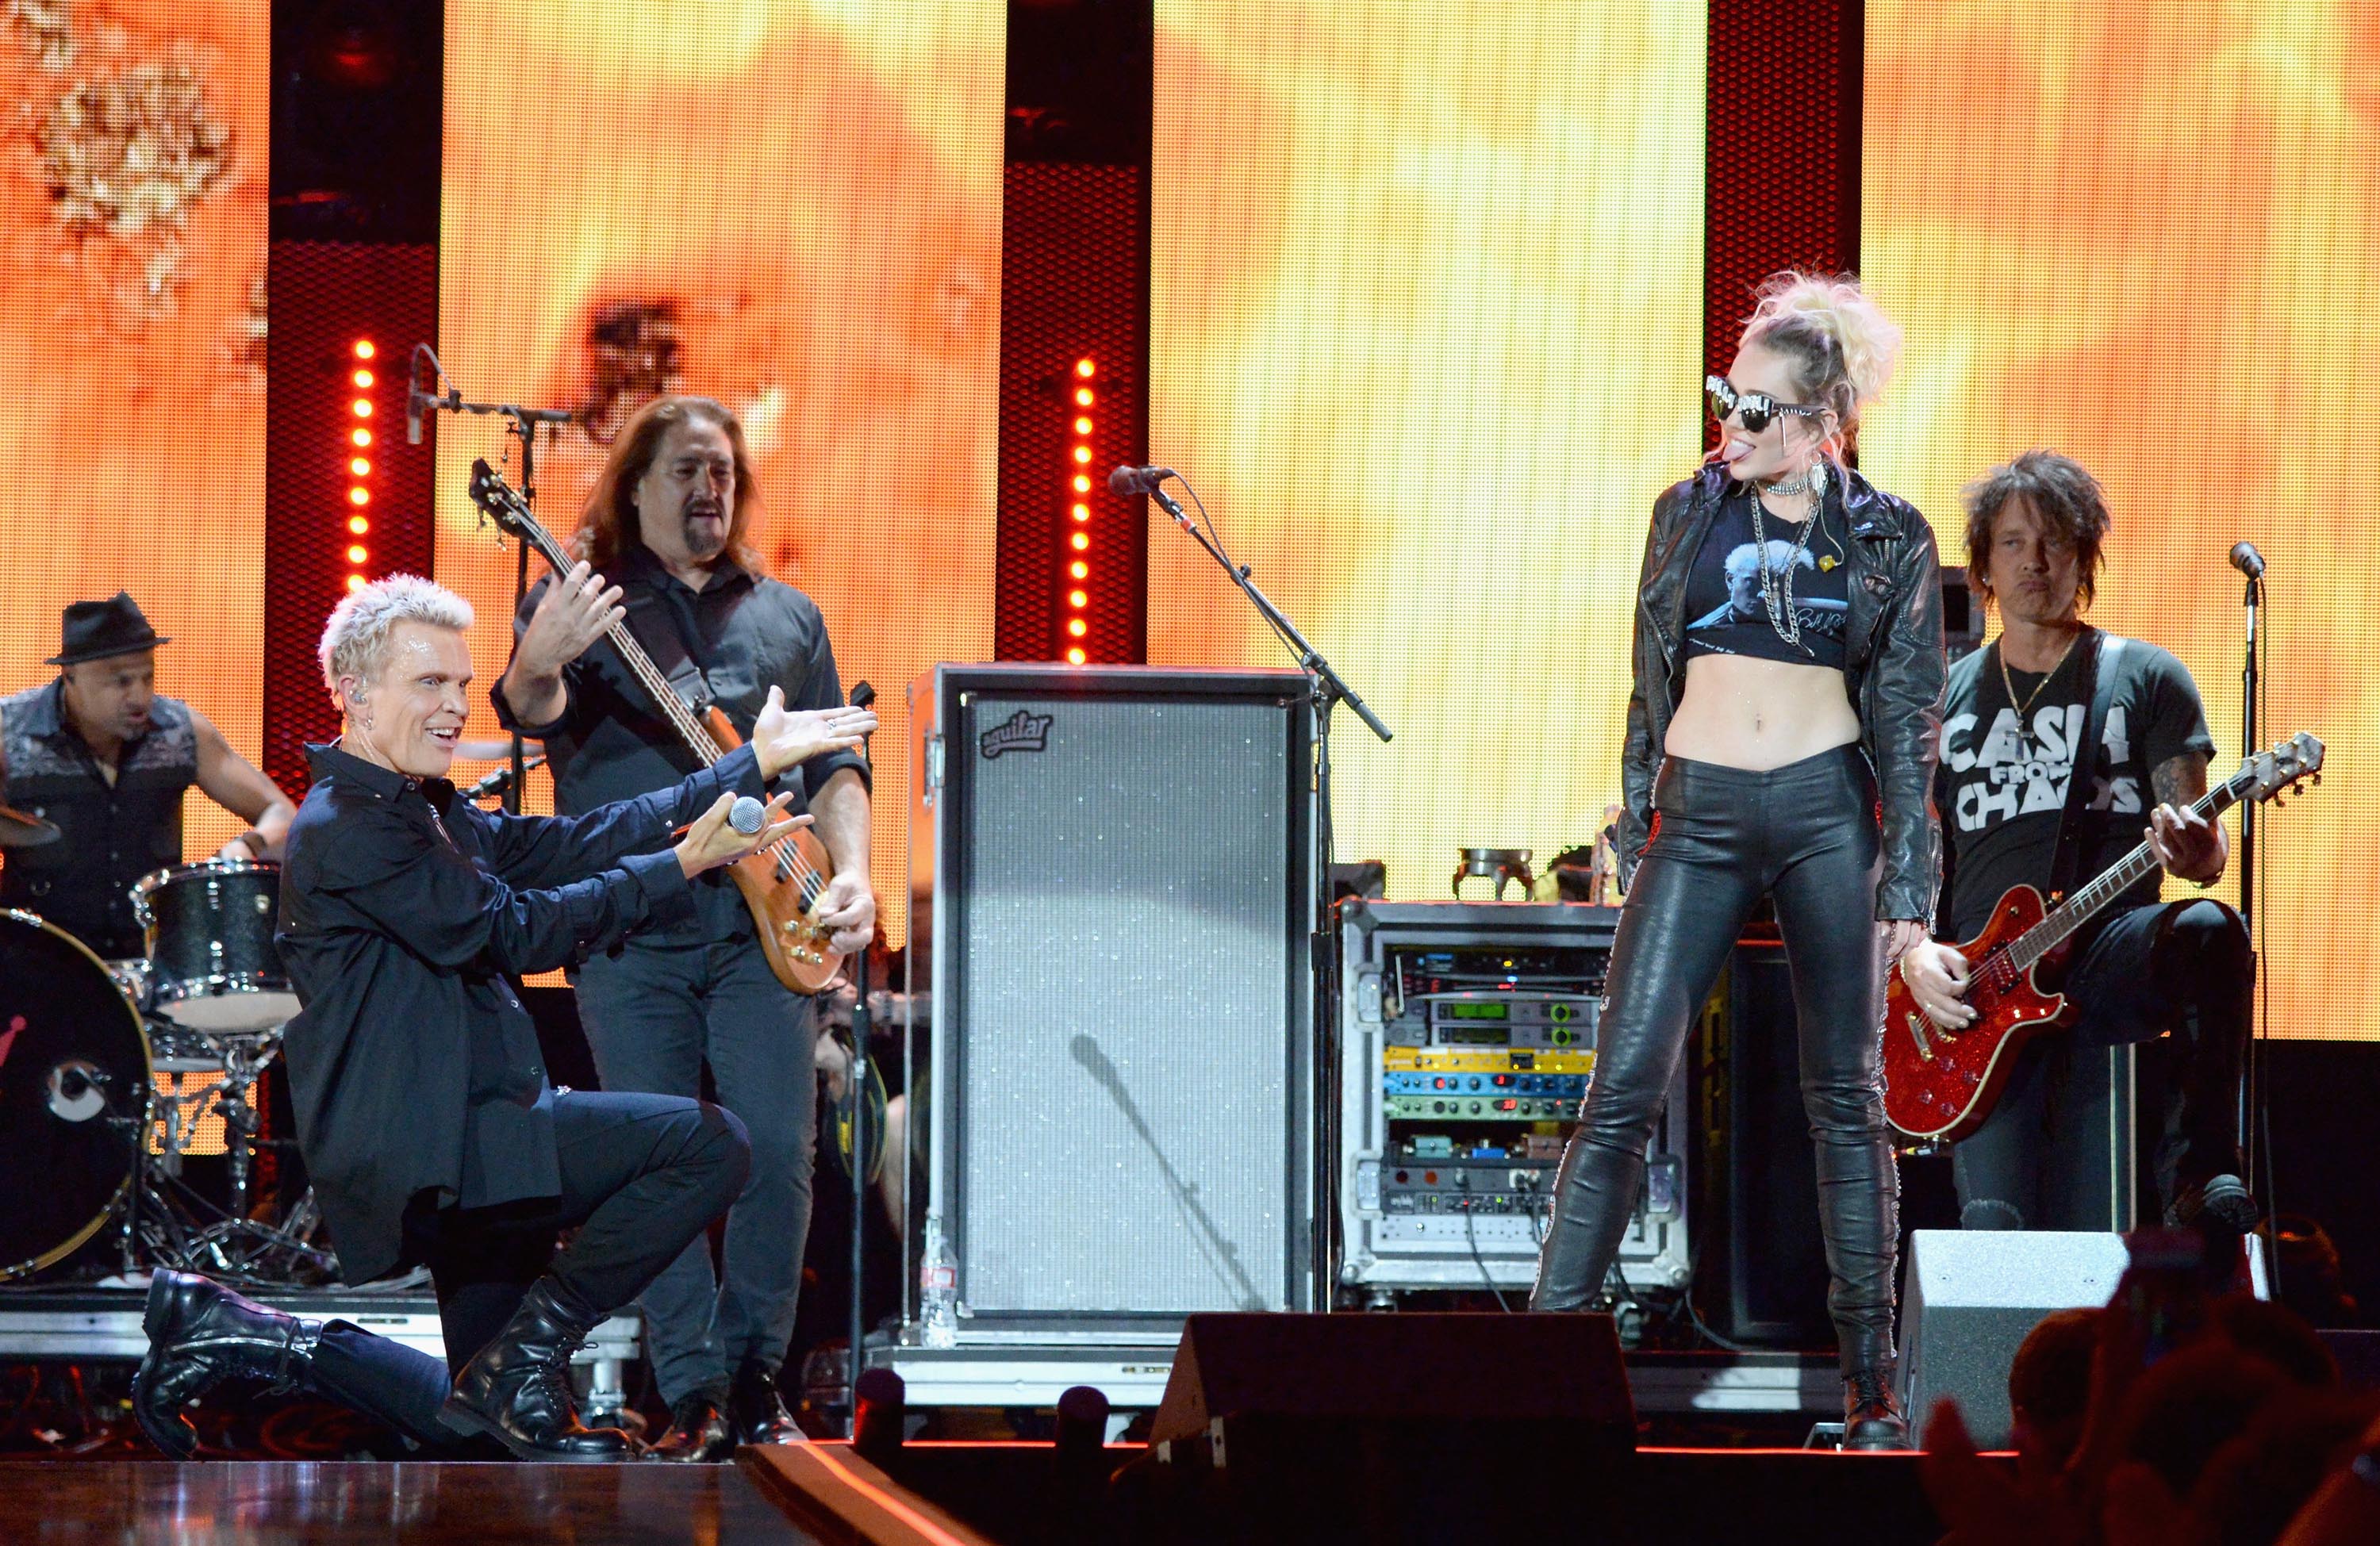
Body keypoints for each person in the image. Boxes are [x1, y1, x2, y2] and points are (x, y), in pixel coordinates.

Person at [131, 575, 873, 1460]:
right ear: (356, 693)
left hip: (479, 1132)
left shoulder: (420, 808)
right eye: (428, 684)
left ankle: (239, 1330)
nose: (454, 705)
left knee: (486, 1429)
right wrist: (683, 863)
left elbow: (575, 839)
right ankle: (529, 1348)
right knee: (709, 1144)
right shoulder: (349, 825)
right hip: (442, 1141)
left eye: (458, 682)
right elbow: (518, 929)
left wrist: (746, 765)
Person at [1530, 270, 1946, 1451]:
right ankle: (1538, 1376)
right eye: (1727, 397)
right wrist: (1632, 814)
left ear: (1825, 421)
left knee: (1847, 1101)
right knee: (1619, 1088)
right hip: (1698, 812)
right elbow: (1646, 674)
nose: (1733, 423)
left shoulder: (1890, 533)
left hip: (1827, 811)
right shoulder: (1687, 509)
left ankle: (1873, 1399)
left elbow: (1911, 724)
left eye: (1758, 407)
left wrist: (1910, 902)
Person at [493, 394, 874, 1460]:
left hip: (767, 927)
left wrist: (859, 876)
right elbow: (527, 710)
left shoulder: (788, 616)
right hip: (632, 925)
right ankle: (690, 1388)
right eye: (688, 470)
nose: (712, 490)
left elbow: (838, 762)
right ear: (637, 484)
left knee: (777, 1154)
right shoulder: (584, 605)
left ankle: (759, 1379)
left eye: (724, 471)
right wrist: (539, 652)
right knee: (660, 1155)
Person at [1897, 451, 2254, 1234]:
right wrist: (1913, 951)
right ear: (1983, 563)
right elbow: (1905, 847)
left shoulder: (2145, 676)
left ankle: (2203, 1172)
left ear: (2084, 554)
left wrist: (2190, 846)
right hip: (1984, 985)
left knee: (2211, 928)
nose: (2036, 560)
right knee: (1994, 1231)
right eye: (2015, 542)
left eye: (2056, 539)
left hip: (2102, 947)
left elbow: (2207, 855)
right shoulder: (1940, 697)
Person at [0, 592, 295, 959]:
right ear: (71, 675)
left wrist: (247, 847)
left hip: (155, 964)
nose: (140, 697)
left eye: (147, 677)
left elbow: (283, 815)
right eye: (121, 682)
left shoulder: (180, 731)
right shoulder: (10, 733)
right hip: (39, 965)